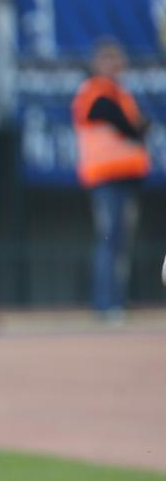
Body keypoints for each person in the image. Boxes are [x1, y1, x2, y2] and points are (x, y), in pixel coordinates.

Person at [72, 39, 151, 322]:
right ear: (98, 63)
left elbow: (137, 127)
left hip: (127, 177)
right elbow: (124, 123)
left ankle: (117, 300)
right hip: (105, 178)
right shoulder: (95, 91)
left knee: (121, 242)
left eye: (118, 60)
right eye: (109, 60)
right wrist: (136, 127)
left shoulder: (121, 93)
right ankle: (106, 304)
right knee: (108, 239)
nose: (115, 66)